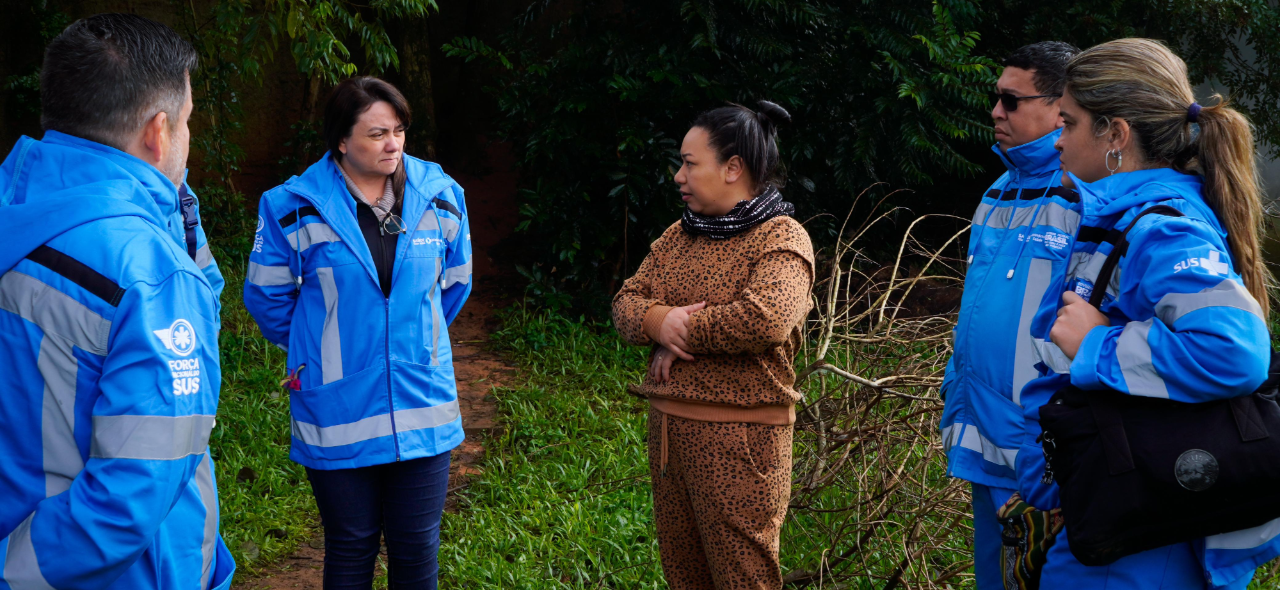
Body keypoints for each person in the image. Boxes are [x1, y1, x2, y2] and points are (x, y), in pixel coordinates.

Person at [1015, 38, 1277, 588]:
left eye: (1068, 123)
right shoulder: (1119, 217)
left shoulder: (1163, 229)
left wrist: (1096, 345)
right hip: (1121, 512)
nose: (1056, 140)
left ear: (1115, 135)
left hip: (1146, 539)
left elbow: (1234, 352)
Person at [0, 13, 236, 590]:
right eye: (187, 121)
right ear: (159, 131)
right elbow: (126, 505)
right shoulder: (150, 274)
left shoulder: (17, 203)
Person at [243, 76, 471, 589]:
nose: (393, 144)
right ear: (342, 141)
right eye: (376, 134)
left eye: (399, 131)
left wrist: (412, 342)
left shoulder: (442, 197)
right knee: (350, 545)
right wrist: (322, 347)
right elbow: (266, 296)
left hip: (422, 403)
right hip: (337, 408)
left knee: (417, 550)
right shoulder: (291, 206)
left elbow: (455, 285)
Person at [612, 100, 813, 590]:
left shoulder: (782, 237)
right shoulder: (680, 235)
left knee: (743, 579)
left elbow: (765, 318)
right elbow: (625, 302)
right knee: (685, 577)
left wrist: (679, 331)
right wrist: (658, 322)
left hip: (741, 447)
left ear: (732, 168)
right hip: (670, 440)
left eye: (689, 163)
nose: (678, 176)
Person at [935, 40, 1080, 588]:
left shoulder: (1083, 196)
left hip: (1042, 449)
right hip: (984, 435)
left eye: (1012, 101)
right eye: (996, 98)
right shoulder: (998, 191)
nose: (996, 112)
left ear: (1061, 107)